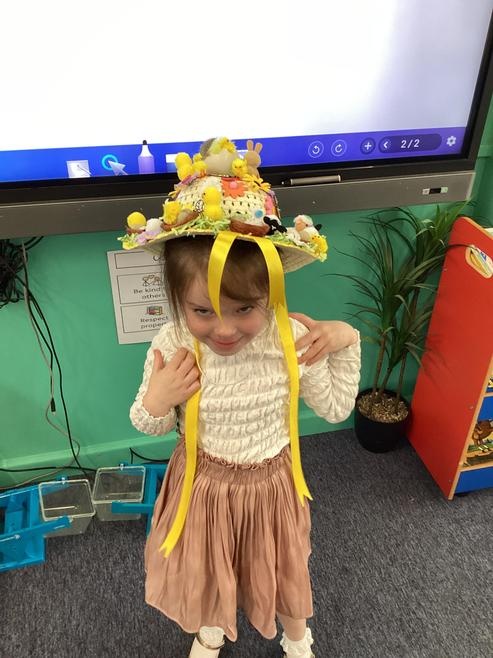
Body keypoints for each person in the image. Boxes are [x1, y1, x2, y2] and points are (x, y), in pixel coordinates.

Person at [121, 137, 361, 658]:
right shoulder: (174, 342)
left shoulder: (290, 338)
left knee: (281, 567)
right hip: (202, 487)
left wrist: (345, 338)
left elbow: (336, 409)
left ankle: (297, 636)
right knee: (208, 568)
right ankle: (212, 625)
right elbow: (147, 421)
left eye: (244, 309)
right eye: (202, 311)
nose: (225, 329)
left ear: (270, 295)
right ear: (179, 302)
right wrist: (158, 398)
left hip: (272, 486)